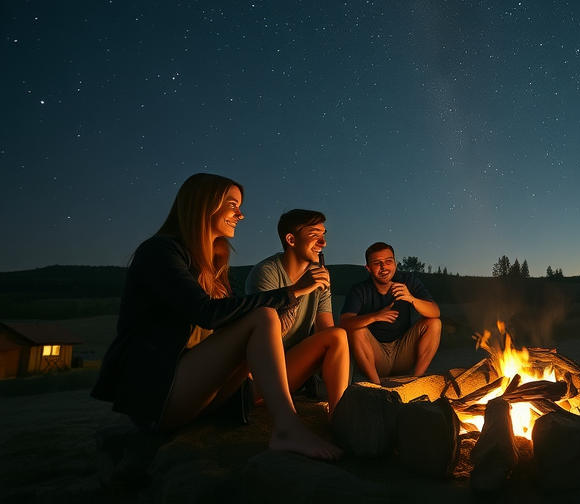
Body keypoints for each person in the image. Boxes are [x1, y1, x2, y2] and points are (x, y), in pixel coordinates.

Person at [91, 173, 343, 459]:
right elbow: (206, 313)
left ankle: (326, 415)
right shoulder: (159, 251)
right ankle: (286, 428)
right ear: (204, 204)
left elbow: (232, 324)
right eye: (232, 205)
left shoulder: (214, 262)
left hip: (205, 394)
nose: (241, 215)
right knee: (263, 316)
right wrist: (292, 292)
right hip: (160, 394)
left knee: (272, 320)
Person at [245, 209, 350, 414]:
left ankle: (338, 413)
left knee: (338, 335)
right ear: (291, 239)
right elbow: (264, 337)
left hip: (290, 369)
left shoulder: (319, 276)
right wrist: (300, 289)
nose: (323, 242)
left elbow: (327, 333)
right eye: (314, 234)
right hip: (258, 373)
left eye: (323, 235)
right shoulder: (267, 273)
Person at [337, 242, 441, 384]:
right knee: (357, 329)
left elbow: (435, 311)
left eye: (388, 261)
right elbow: (344, 324)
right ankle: (377, 386)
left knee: (434, 323)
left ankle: (415, 380)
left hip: (403, 352)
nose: (384, 267)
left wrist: (411, 299)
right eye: (377, 263)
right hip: (376, 357)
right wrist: (375, 316)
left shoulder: (407, 281)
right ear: (368, 268)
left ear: (395, 263)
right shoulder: (360, 290)